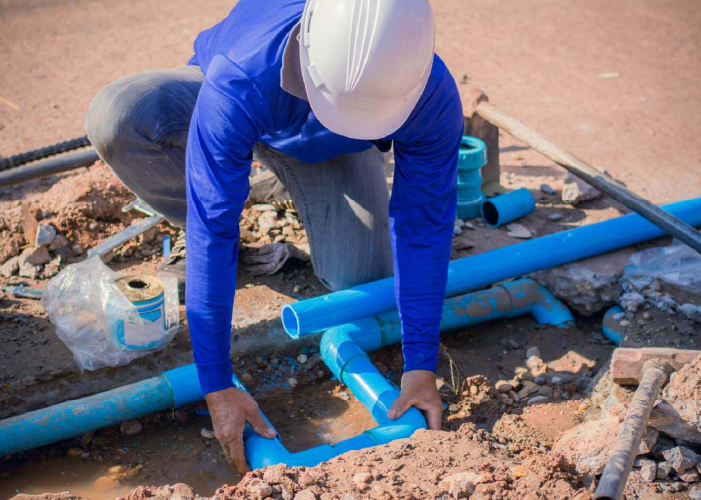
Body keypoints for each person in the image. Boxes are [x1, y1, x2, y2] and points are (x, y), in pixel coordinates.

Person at [86, 0, 463, 473]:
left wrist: (422, 366)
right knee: (121, 115)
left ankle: (254, 174)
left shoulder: (428, 90)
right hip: (243, 102)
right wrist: (217, 382)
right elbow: (211, 230)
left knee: (361, 279)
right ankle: (230, 169)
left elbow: (423, 226)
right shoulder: (241, 75)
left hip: (333, 147)